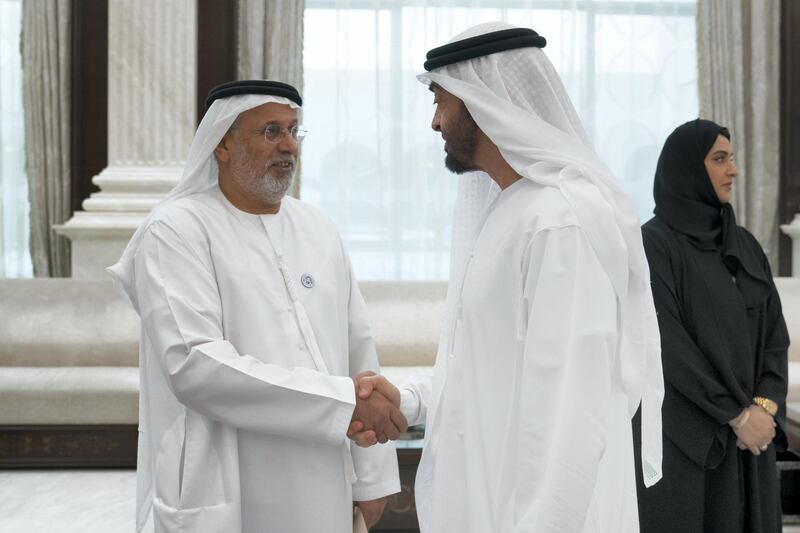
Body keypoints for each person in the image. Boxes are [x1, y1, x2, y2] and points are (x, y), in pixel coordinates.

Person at [348, 22, 664, 532]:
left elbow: (570, 418)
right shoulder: (513, 209)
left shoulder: (561, 220)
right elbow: (484, 363)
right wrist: (408, 400)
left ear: (484, 99)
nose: (434, 123)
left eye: (440, 100)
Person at [108, 80, 406, 533]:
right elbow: (196, 364)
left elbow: (358, 351)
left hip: (324, 477)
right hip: (226, 482)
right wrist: (342, 404)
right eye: (270, 131)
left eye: (293, 131)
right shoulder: (176, 229)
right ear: (222, 144)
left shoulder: (317, 226)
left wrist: (373, 478)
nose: (288, 146)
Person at [634, 119, 789, 533]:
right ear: (687, 168)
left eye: (732, 159)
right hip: (685, 438)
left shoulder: (745, 246)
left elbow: (775, 340)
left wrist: (762, 409)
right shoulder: (653, 245)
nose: (733, 171)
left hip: (750, 441)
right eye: (720, 159)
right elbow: (666, 344)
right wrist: (735, 416)